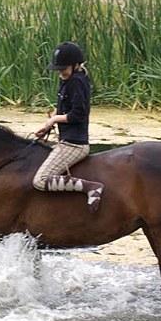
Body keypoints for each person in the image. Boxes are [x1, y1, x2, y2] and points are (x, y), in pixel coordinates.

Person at [32, 41, 104, 212]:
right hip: (66, 140)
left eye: (63, 69)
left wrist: (54, 119)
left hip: (75, 144)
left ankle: (90, 187)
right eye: (58, 70)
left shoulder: (77, 82)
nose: (60, 73)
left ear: (76, 65)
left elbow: (78, 114)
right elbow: (64, 107)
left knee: (40, 180)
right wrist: (48, 126)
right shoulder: (68, 79)